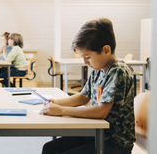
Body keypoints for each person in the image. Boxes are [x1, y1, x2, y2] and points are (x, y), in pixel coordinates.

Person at [40, 18, 135, 154]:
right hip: (96, 133)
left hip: (114, 142)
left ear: (106, 50)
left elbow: (101, 112)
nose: (84, 62)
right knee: (50, 148)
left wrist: (61, 110)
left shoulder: (118, 71)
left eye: (87, 57)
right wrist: (56, 103)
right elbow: (83, 97)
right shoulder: (98, 69)